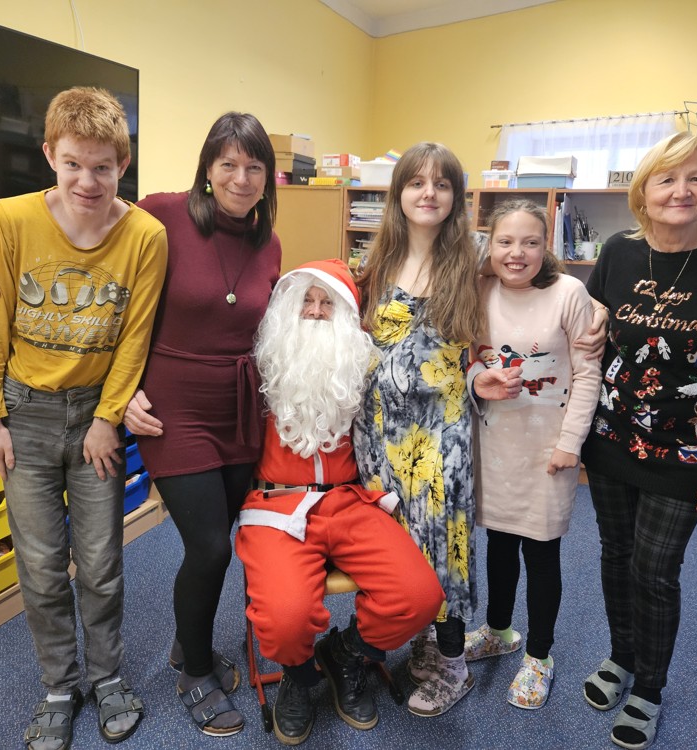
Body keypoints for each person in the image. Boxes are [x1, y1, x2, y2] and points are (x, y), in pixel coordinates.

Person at [0, 111, 282, 738]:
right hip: (153, 412)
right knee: (199, 547)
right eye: (228, 164)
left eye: (254, 167)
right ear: (207, 169)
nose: (241, 178)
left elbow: (161, 323)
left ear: (268, 177)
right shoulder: (160, 215)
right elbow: (94, 294)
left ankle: (164, 654)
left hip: (227, 410)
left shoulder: (262, 241)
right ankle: (148, 677)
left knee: (166, 552)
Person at [0, 86, 167, 750]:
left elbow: (135, 335)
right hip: (23, 414)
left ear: (122, 165)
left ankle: (107, 677)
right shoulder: (9, 219)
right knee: (41, 565)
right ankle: (60, 685)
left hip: (93, 418)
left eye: (103, 167)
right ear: (50, 154)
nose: (88, 181)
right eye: (74, 164)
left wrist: (108, 418)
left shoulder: (145, 236)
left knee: (102, 562)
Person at [580, 132, 697, 750]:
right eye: (666, 178)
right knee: (615, 554)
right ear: (644, 189)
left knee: (655, 570)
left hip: (686, 449)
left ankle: (649, 688)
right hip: (611, 437)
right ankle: (620, 656)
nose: (680, 191)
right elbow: (590, 333)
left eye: (695, 178)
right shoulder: (618, 252)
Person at [236, 258, 445, 745]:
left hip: (349, 502)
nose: (314, 311)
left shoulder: (358, 366)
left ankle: (345, 653)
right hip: (275, 507)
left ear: (346, 316)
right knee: (286, 619)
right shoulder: (262, 366)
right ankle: (299, 675)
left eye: (326, 303)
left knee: (419, 598)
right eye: (306, 302)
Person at [350, 142, 488, 718]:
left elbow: (537, 282)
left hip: (440, 433)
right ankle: (423, 643)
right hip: (379, 430)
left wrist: (589, 312)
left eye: (442, 183)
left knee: (444, 542)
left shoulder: (474, 259)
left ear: (455, 196)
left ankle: (454, 665)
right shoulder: (376, 261)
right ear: (399, 193)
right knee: (399, 542)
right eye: (416, 182)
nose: (428, 193)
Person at [463, 200, 602, 711]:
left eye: (530, 242)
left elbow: (587, 373)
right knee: (499, 542)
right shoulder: (478, 288)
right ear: (490, 245)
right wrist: (479, 376)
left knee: (541, 551)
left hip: (548, 448)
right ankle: (498, 630)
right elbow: (468, 357)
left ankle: (539, 656)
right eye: (505, 241)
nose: (516, 253)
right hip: (494, 441)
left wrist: (571, 443)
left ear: (547, 247)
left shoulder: (569, 293)